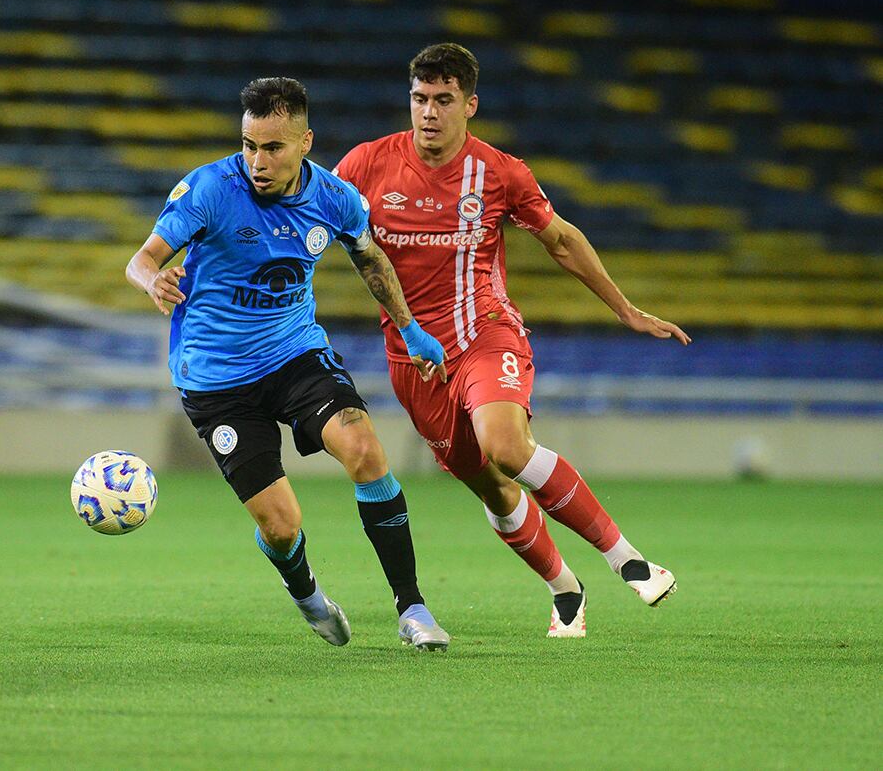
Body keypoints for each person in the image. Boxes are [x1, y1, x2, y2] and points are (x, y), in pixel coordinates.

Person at [334, 43, 688, 638]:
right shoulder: (366, 165)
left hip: (485, 336)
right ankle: (564, 589)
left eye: (444, 100)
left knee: (505, 445)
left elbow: (563, 241)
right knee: (494, 490)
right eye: (420, 99)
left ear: (469, 105)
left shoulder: (499, 172)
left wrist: (624, 309)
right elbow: (294, 216)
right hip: (413, 361)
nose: (429, 113)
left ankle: (627, 558)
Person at [126, 76, 452, 651]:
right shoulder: (209, 189)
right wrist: (156, 280)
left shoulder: (336, 198)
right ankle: (307, 595)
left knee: (364, 450)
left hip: (294, 354)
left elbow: (370, 259)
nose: (257, 160)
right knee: (280, 525)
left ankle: (413, 608)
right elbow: (142, 259)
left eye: (272, 147)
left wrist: (411, 329)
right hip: (216, 379)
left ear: (305, 143)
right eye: (249, 144)